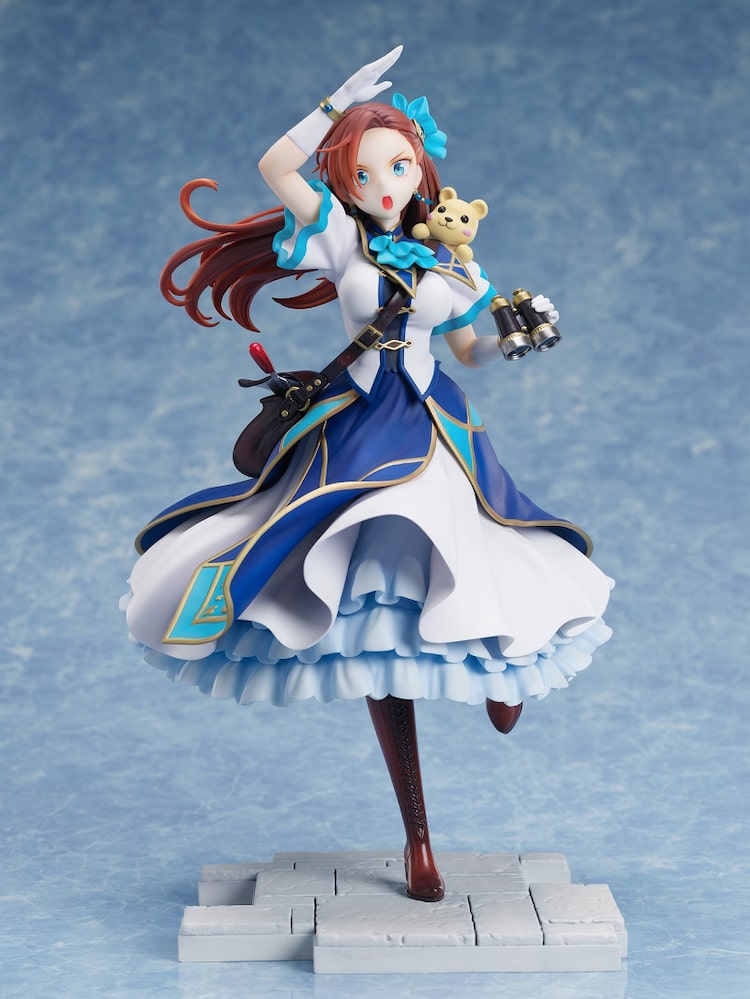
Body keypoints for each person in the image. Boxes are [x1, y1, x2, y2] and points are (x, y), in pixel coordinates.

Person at [123, 47, 612, 902]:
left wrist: (516, 336)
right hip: (357, 431)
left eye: (398, 166)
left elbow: (469, 349)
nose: (385, 184)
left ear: (421, 168)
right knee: (371, 623)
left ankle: (508, 675)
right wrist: (335, 102)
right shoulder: (340, 239)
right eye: (363, 171)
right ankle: (419, 838)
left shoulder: (454, 262)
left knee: (489, 555)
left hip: (437, 427)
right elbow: (276, 167)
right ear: (344, 180)